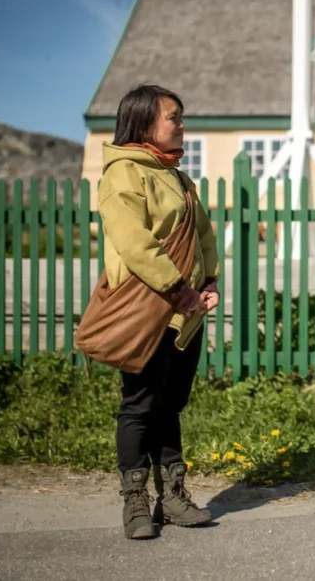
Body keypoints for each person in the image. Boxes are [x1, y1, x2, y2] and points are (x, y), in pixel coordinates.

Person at [98, 84, 221, 539]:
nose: (182, 125)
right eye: (174, 117)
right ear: (145, 122)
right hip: (147, 309)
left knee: (170, 404)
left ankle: (172, 498)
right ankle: (135, 502)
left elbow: (203, 234)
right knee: (140, 404)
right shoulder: (124, 174)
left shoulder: (177, 178)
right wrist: (178, 288)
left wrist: (209, 282)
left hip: (185, 310)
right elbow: (135, 243)